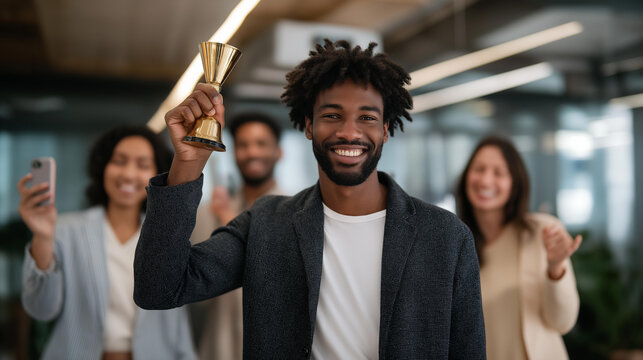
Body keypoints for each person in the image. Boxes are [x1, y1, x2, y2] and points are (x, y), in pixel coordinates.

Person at [134, 39, 486, 359]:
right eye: (332, 115)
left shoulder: (446, 237)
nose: (349, 131)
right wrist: (187, 164)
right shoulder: (266, 223)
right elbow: (158, 288)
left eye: (367, 117)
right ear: (307, 125)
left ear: (385, 130)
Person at [19, 126, 197, 360]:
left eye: (142, 165)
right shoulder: (63, 230)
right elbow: (41, 309)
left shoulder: (167, 237)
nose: (128, 174)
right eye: (119, 161)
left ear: (157, 173)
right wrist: (42, 236)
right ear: (103, 167)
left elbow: (177, 324)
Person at [455, 135, 581, 360]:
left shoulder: (543, 233)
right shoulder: (453, 244)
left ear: (515, 182)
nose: (485, 181)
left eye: (499, 173)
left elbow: (563, 322)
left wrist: (555, 268)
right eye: (479, 169)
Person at [190, 112, 284, 360]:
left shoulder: (297, 212)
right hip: (219, 346)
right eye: (243, 145)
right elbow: (197, 287)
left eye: (261, 143)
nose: (252, 152)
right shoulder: (209, 212)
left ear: (279, 152)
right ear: (234, 153)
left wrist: (231, 221)